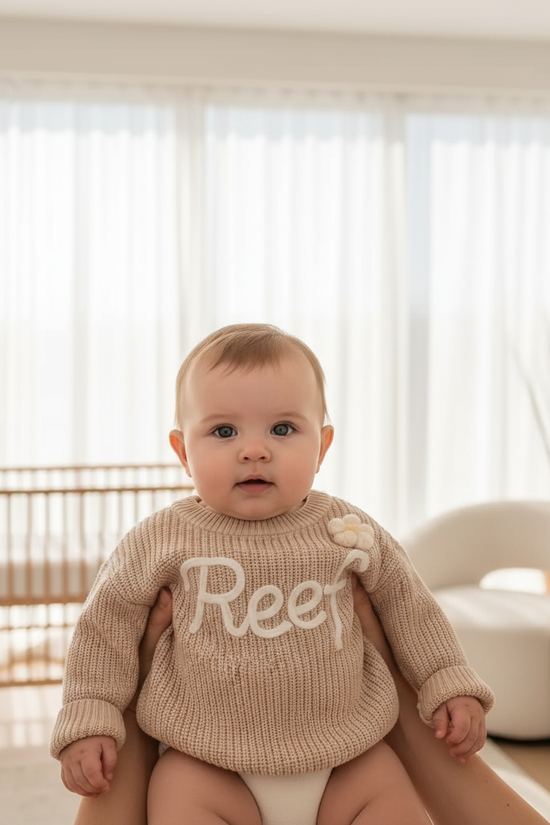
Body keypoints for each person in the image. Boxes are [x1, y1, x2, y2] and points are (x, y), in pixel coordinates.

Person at [52, 323, 495, 825]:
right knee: (175, 795)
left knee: (394, 798)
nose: (254, 450)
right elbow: (104, 628)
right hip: (206, 761)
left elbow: (408, 606)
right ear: (182, 453)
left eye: (283, 429)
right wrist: (91, 716)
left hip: (348, 757)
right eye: (224, 431)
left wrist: (447, 680)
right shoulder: (163, 537)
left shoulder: (345, 528)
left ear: (323, 446)